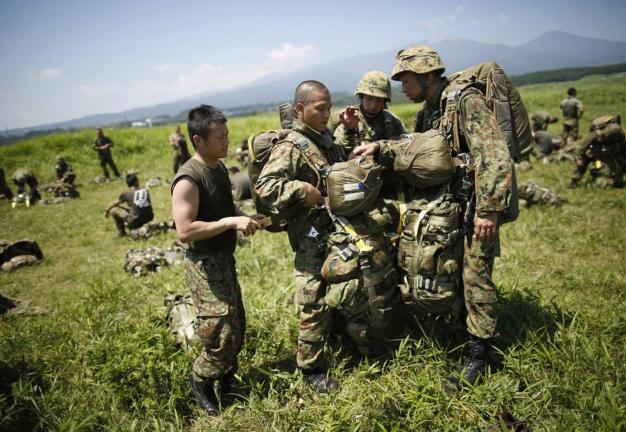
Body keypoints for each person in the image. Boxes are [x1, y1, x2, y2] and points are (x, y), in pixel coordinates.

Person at [355, 45, 514, 389]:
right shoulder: (427, 112)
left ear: (427, 76)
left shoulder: (465, 102)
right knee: (449, 270)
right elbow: (411, 147)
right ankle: (459, 330)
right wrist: (380, 148)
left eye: (406, 79)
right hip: (444, 211)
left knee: (476, 277)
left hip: (474, 208)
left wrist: (488, 209)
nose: (402, 87)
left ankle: (480, 355)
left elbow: (494, 155)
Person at [255, 80, 359, 393]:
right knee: (311, 298)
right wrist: (302, 190)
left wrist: (349, 131)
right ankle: (311, 368)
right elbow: (265, 187)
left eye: (329, 107)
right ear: (301, 109)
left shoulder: (322, 138)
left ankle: (343, 333)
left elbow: (338, 165)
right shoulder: (290, 146)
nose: (327, 114)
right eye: (320, 109)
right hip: (310, 235)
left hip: (333, 230)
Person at [171, 105, 263, 416]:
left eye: (227, 135)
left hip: (225, 260)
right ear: (198, 140)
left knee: (236, 325)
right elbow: (185, 230)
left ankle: (225, 381)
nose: (226, 142)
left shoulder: (219, 168)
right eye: (220, 137)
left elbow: (227, 210)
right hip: (204, 265)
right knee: (219, 331)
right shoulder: (188, 179)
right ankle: (201, 379)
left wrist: (246, 218)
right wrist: (229, 224)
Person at [331, 71, 407, 152]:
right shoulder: (347, 117)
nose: (373, 105)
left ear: (384, 101)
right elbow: (337, 150)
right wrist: (350, 130)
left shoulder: (393, 121)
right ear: (361, 97)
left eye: (378, 100)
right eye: (369, 99)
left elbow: (404, 146)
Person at [570, 115, 626, 188]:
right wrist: (575, 179)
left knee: (622, 160)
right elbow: (582, 158)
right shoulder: (593, 141)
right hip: (600, 179)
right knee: (586, 158)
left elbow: (625, 160)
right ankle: (575, 180)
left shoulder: (619, 139)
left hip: (616, 179)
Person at [104, 172, 154, 237]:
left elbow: (115, 202)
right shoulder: (145, 190)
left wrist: (107, 210)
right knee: (134, 209)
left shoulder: (127, 193)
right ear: (136, 181)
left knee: (114, 209)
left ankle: (122, 233)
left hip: (136, 222)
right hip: (149, 219)